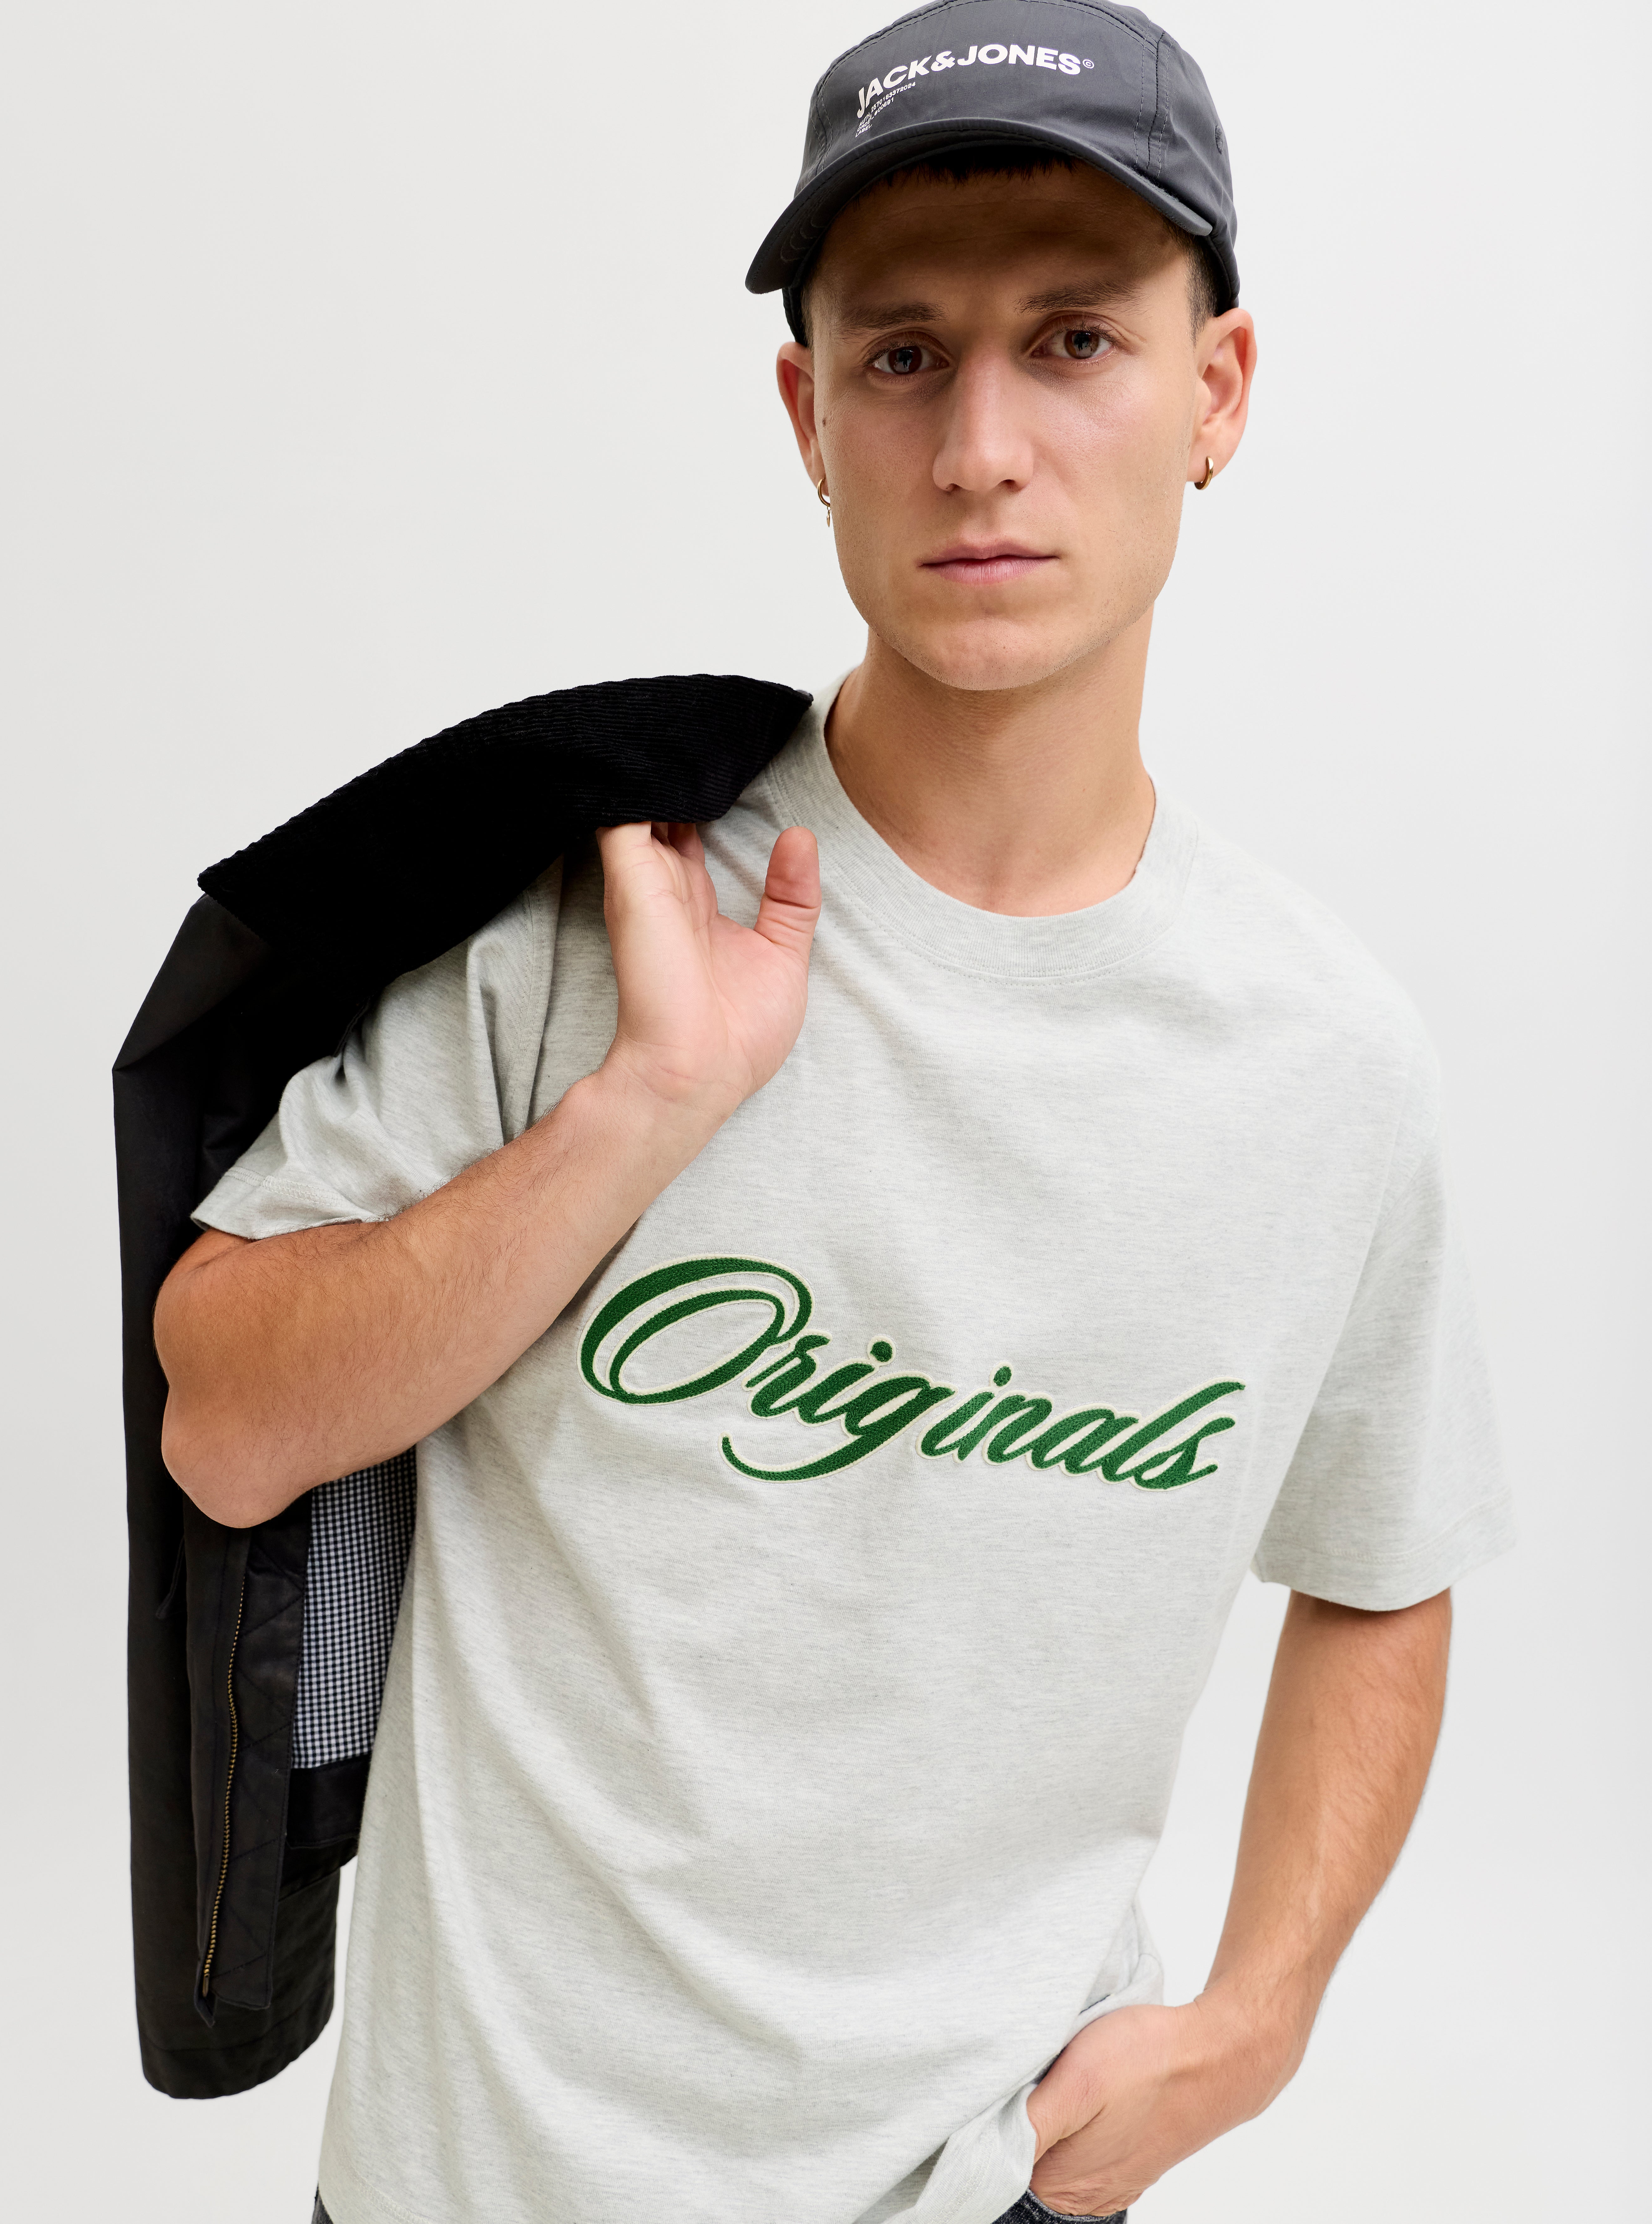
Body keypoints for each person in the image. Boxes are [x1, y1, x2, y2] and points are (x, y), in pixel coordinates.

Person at [152, 5, 1513, 2219]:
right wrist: (648, 1106)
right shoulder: (594, 909)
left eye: (1075, 342)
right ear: (807, 414)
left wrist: (1259, 2020)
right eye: (902, 357)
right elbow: (227, 1422)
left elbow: (1385, 1571)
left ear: (1217, 393)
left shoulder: (1325, 1063)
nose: (981, 447)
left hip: (981, 2188)